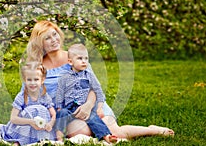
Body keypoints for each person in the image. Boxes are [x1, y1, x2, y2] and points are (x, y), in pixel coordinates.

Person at [25, 20, 175, 139]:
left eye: (55, 34)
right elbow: (28, 94)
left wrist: (89, 106)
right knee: (79, 133)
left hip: (91, 106)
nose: (54, 40)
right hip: (66, 113)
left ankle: (152, 131)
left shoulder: (74, 58)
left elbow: (93, 88)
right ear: (40, 43)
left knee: (115, 132)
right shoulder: (37, 66)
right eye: (47, 38)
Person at [55, 43, 117, 143]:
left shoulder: (89, 75)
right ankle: (59, 137)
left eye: (86, 58)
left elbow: (98, 90)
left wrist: (100, 107)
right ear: (70, 62)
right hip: (69, 107)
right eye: (80, 58)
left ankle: (106, 136)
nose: (84, 61)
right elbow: (60, 92)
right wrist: (59, 107)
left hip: (84, 108)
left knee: (94, 118)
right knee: (61, 114)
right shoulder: (65, 76)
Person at [0, 61, 56, 146]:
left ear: (42, 80)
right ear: (24, 80)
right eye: (29, 79)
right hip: (24, 126)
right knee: (31, 110)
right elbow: (13, 118)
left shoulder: (44, 95)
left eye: (36, 79)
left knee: (42, 110)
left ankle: (40, 139)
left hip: (39, 128)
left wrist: (50, 124)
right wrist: (30, 122)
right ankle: (20, 141)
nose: (32, 83)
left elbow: (53, 114)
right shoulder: (22, 96)